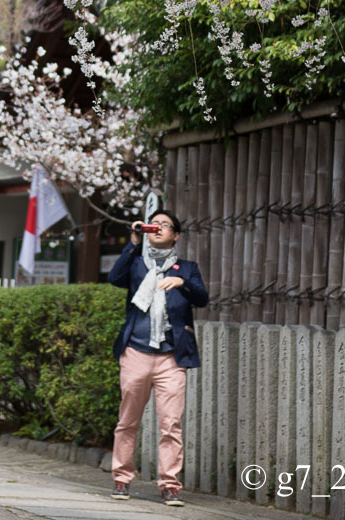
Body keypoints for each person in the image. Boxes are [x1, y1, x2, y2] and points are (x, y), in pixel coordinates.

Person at [107, 210, 208, 507]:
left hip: (171, 357)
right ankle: (121, 478)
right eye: (155, 224)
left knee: (171, 424)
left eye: (165, 225)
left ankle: (170, 485)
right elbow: (115, 278)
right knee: (127, 420)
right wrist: (133, 241)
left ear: (176, 235)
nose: (159, 228)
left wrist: (182, 284)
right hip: (136, 352)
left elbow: (202, 298)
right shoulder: (136, 263)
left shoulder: (186, 268)